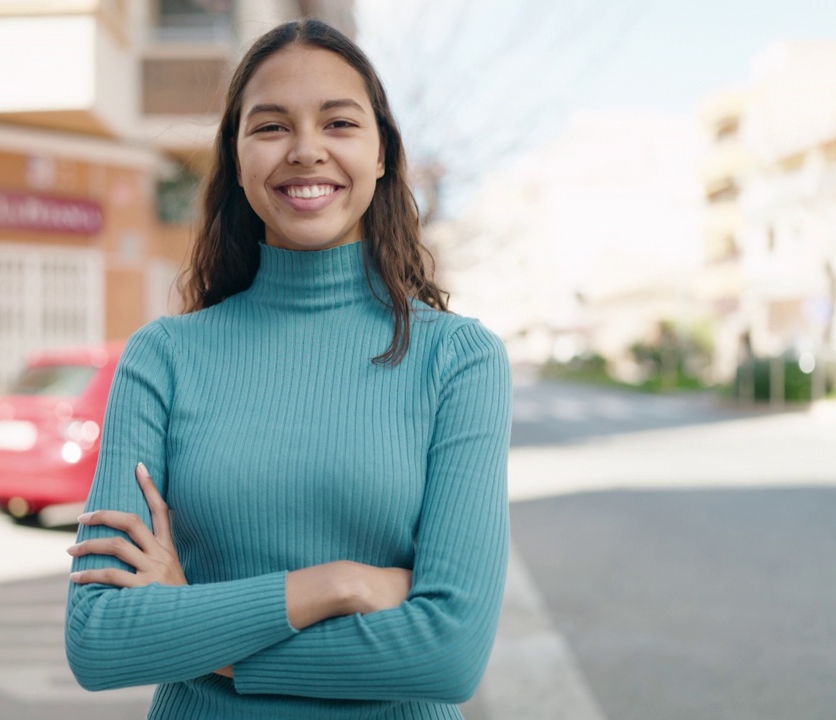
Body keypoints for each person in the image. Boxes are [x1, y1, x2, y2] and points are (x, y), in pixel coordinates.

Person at [64, 19, 511, 719]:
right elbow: (99, 639)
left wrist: (197, 629)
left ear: (383, 153)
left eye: (338, 123)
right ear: (237, 158)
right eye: (271, 127)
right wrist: (338, 584)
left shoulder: (458, 361)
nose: (306, 151)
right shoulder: (164, 357)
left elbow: (449, 655)